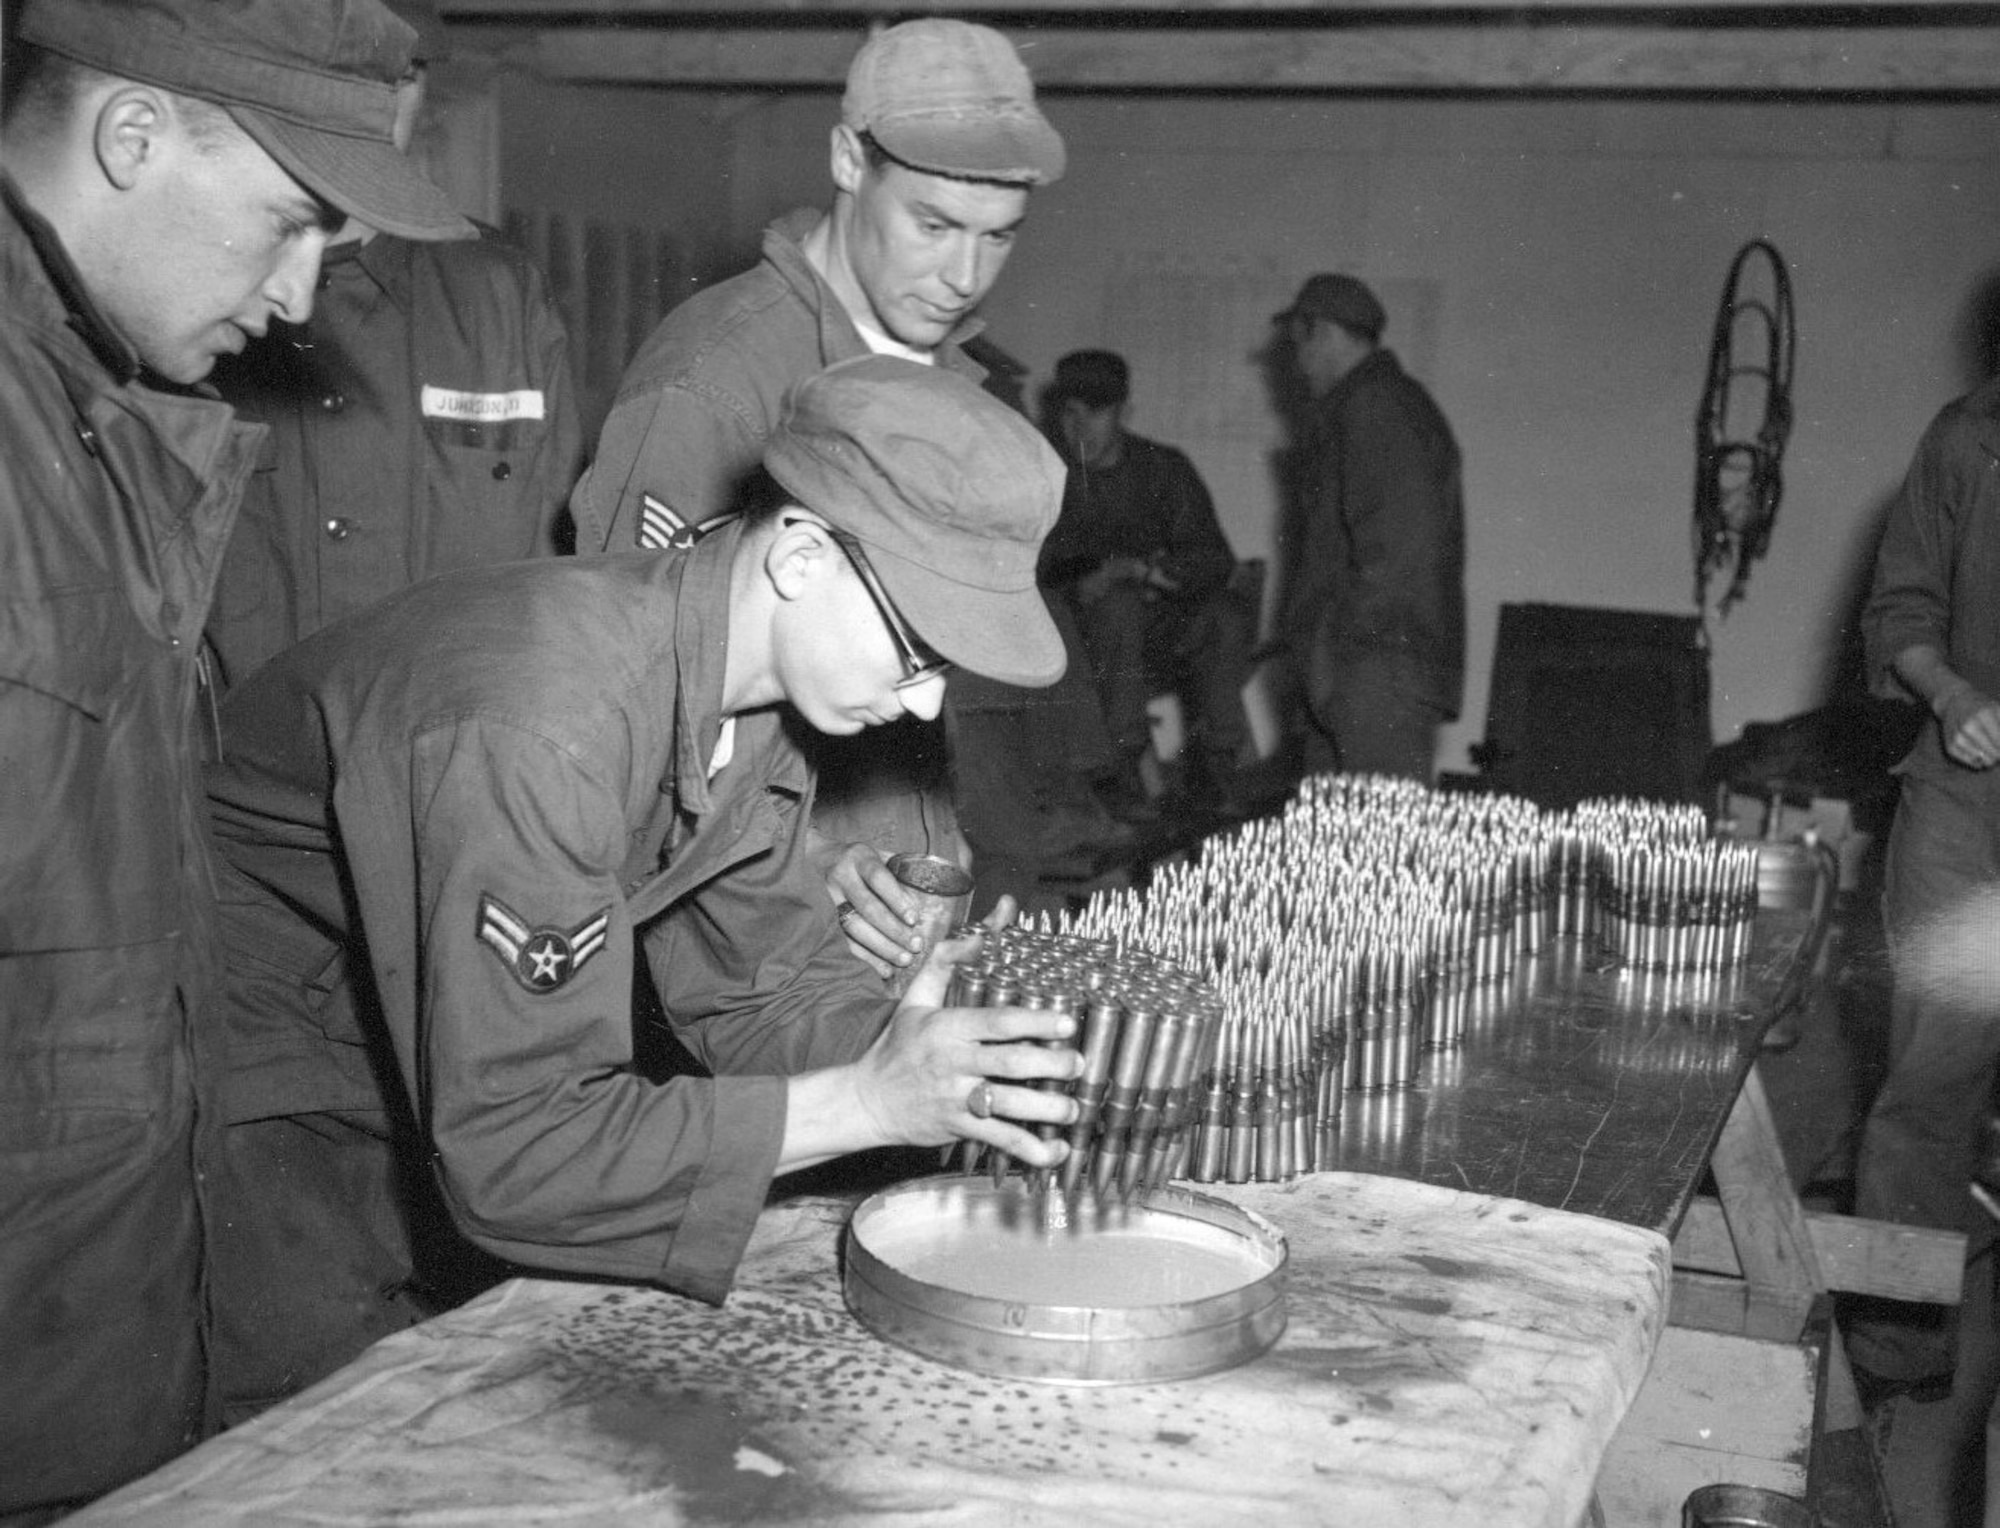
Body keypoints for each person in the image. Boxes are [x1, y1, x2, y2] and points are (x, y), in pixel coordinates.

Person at [204, 356, 1086, 1413]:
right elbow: (517, 1156)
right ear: (801, 557)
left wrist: (948, 1065)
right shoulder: (537, 724)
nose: (923, 704)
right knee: (324, 1430)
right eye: (915, 650)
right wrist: (866, 1099)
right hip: (259, 1057)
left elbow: (752, 991)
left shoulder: (758, 699)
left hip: (437, 1033)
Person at [0, 0, 471, 1514]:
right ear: (130, 137)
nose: (292, 303)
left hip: (95, 1327)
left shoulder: (99, 418)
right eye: (283, 226)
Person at [568, 17, 1114, 954]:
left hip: (907, 901)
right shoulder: (712, 388)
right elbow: (628, 724)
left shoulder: (948, 379)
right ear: (849, 162)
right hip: (760, 948)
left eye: (999, 237)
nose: (965, 275)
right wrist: (805, 869)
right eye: (935, 226)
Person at [206, 0, 585, 694]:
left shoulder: (499, 293)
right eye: (350, 72)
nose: (379, 105)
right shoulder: (195, 295)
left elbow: (559, 583)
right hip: (224, 785)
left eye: (404, 75)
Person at [1848, 376, 2000, 1431]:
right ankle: (1898, 1345)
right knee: (1932, 1065)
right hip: (1963, 794)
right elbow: (1901, 606)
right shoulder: (1964, 437)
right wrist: (1949, 695)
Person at [1038, 349, 1256, 818]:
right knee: (1117, 609)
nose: (1083, 430)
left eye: (1099, 413)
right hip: (1076, 641)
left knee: (1223, 616)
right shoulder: (1046, 477)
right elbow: (1031, 568)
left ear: (1124, 413)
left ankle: (1218, 760)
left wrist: (1146, 570)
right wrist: (1086, 583)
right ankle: (1122, 767)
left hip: (1159, 632)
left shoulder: (1164, 469)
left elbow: (1214, 559)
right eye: (1073, 414)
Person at [1273, 273, 1465, 784]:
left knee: (1379, 849)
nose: (1298, 362)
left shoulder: (1376, 408)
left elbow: (1403, 549)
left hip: (1373, 669)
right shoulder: (1374, 407)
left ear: (1327, 334)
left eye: (1300, 343)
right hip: (1366, 667)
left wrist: (1338, 657)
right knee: (1343, 849)